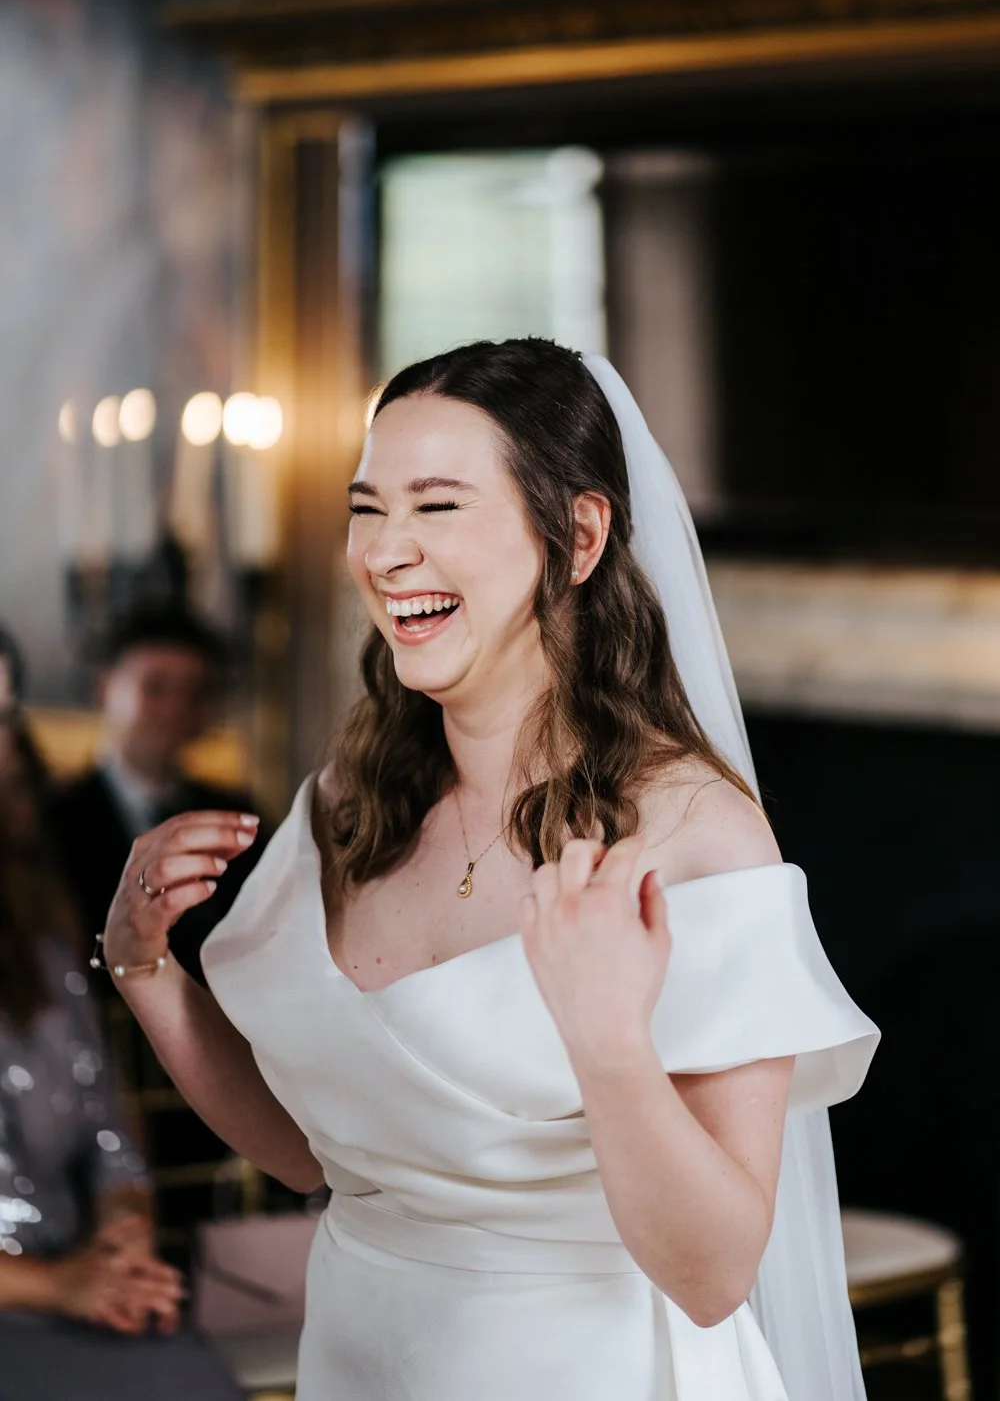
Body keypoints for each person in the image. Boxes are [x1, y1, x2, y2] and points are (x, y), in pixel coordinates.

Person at [99, 339, 878, 1401]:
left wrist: (608, 1045)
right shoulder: (347, 802)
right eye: (368, 509)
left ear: (578, 536)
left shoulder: (696, 838)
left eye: (438, 507)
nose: (385, 552)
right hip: (364, 1356)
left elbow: (712, 1272)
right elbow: (312, 1157)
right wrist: (144, 970)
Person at [0, 710, 245, 1401]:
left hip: (82, 1283)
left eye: (20, 785)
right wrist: (57, 1286)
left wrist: (124, 1233)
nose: (17, 812)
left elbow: (108, 1126)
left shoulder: (45, 946)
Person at [48, 605, 263, 989]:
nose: (174, 710)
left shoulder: (239, 817)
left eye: (194, 693)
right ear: (105, 686)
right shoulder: (51, 819)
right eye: (155, 688)